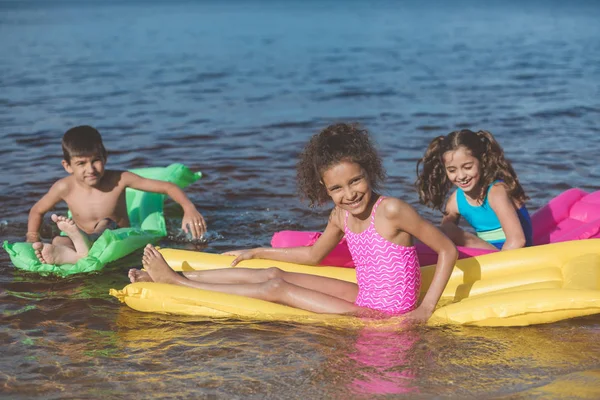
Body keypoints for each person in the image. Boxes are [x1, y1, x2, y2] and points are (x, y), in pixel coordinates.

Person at [129, 123, 457, 322]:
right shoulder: (339, 215)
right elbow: (313, 257)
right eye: (336, 188)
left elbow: (446, 250)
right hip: (364, 295)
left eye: (356, 181)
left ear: (368, 172)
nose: (349, 194)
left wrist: (425, 310)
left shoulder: (391, 211)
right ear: (324, 189)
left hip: (382, 315)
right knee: (274, 274)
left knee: (276, 288)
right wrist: (259, 252)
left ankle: (178, 283)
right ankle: (180, 275)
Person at [27, 125, 206, 265]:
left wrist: (189, 208)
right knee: (60, 239)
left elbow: (167, 187)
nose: (90, 169)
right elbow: (37, 211)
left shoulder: (120, 179)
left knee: (106, 222)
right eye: (81, 163)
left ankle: (84, 244)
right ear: (67, 166)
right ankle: (66, 253)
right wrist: (32, 236)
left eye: (95, 160)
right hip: (79, 236)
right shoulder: (64, 187)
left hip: (114, 235)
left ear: (105, 157)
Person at [416, 129, 533, 251]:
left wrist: (498, 265)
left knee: (449, 230)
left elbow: (518, 241)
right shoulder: (456, 201)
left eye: (467, 167)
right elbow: (446, 236)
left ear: (482, 161)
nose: (461, 176)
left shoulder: (496, 192)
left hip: (515, 253)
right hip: (489, 253)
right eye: (452, 170)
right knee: (446, 228)